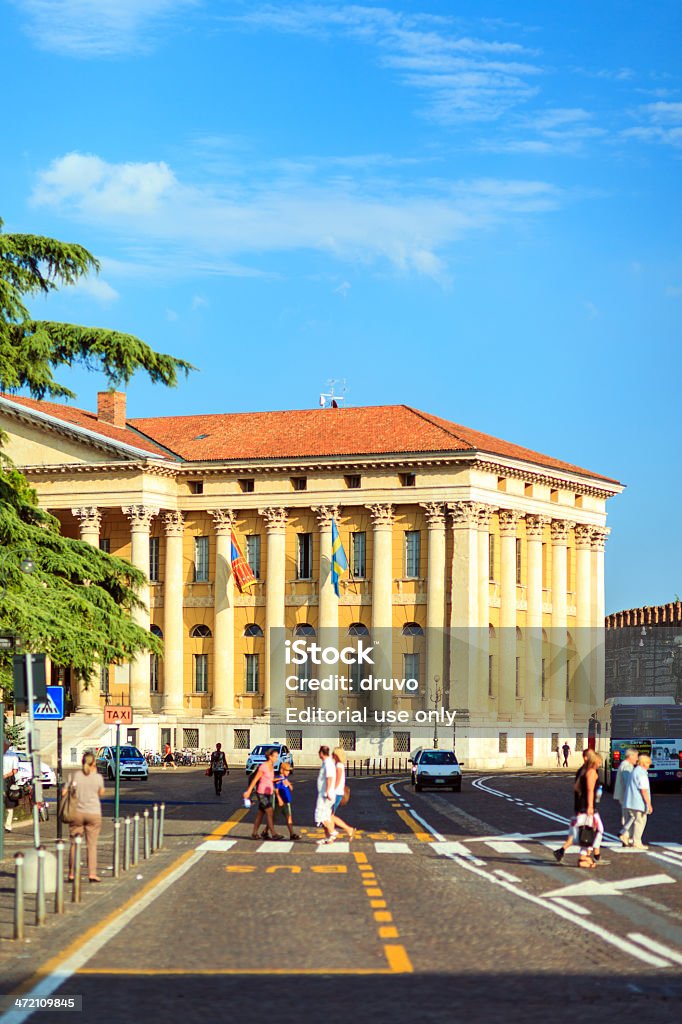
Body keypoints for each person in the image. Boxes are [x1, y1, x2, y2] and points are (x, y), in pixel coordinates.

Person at [554, 749, 604, 868]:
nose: (600, 764)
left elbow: (576, 787)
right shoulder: (592, 772)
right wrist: (590, 805)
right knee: (595, 830)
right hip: (588, 807)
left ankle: (585, 856)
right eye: (599, 762)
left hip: (582, 805)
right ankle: (585, 857)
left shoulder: (583, 771)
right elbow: (590, 790)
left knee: (584, 831)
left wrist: (581, 796)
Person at [63, 751, 105, 883]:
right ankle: (92, 874)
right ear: (93, 763)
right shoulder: (97, 777)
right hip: (93, 813)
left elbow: (64, 792)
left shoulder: (75, 775)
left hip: (76, 813)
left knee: (74, 844)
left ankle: (71, 874)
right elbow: (101, 792)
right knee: (91, 845)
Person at [243, 747, 284, 840]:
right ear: (270, 756)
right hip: (261, 793)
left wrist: (278, 780)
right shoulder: (263, 766)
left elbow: (269, 779)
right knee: (269, 811)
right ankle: (273, 833)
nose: (277, 758)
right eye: (275, 756)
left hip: (269, 792)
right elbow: (255, 780)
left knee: (261, 813)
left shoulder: (271, 767)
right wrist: (248, 792)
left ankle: (254, 833)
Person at [622, 754, 653, 849]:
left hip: (630, 802)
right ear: (644, 763)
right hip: (638, 803)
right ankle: (636, 841)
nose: (649, 766)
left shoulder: (634, 771)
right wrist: (649, 804)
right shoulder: (642, 773)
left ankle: (626, 836)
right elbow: (643, 790)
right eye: (648, 763)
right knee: (640, 822)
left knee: (633, 820)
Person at [613, 748, 639, 846]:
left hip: (625, 795)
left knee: (630, 816)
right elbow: (628, 781)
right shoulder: (627, 766)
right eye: (636, 756)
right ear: (631, 756)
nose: (637, 759)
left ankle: (626, 836)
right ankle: (624, 834)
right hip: (627, 795)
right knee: (632, 816)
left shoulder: (626, 765)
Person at [330, 747, 354, 840]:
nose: (332, 755)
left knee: (329, 815)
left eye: (333, 754)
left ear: (337, 755)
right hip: (336, 793)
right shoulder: (337, 765)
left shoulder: (339, 766)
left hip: (336, 793)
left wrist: (332, 790)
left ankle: (348, 829)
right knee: (330, 815)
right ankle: (331, 835)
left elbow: (338, 779)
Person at [315, 745, 337, 843]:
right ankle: (328, 838)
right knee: (326, 816)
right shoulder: (326, 762)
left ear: (321, 753)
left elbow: (330, 777)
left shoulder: (328, 763)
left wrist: (327, 791)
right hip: (324, 793)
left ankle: (332, 832)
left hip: (326, 794)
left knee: (320, 816)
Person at [273, 762, 299, 840]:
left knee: (289, 817)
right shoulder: (278, 779)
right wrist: (279, 799)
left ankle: (292, 833)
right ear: (282, 770)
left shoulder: (285, 779)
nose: (288, 772)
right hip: (280, 802)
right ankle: (265, 831)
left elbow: (291, 789)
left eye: (289, 771)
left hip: (287, 802)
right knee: (274, 818)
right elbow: (276, 790)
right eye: (287, 770)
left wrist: (289, 784)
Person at [3, 741, 19, 833]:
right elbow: (15, 770)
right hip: (8, 780)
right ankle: (7, 826)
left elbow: (15, 770)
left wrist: (5, 776)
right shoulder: (13, 755)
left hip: (7, 781)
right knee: (9, 804)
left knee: (9, 804)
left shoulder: (12, 755)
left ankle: (8, 826)